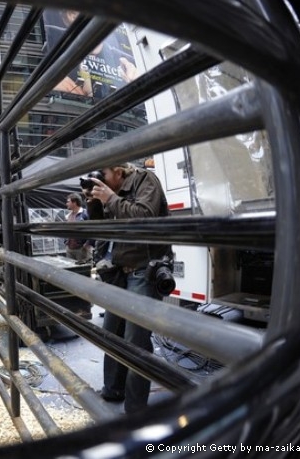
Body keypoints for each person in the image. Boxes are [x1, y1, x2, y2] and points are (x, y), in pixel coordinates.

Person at [81, 164, 172, 414]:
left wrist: (110, 197)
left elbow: (144, 216)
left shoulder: (146, 180)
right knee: (110, 334)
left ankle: (135, 410)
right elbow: (98, 228)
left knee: (136, 342)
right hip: (119, 272)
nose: (100, 180)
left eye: (103, 174)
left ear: (119, 171)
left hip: (144, 270)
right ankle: (113, 389)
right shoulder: (109, 191)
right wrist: (93, 201)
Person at [64, 192, 91, 263]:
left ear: (74, 202)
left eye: (68, 202)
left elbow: (92, 229)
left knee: (84, 271)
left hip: (81, 249)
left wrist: (87, 244)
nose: (66, 204)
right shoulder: (68, 216)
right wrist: (66, 242)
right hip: (70, 249)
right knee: (71, 269)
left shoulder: (85, 214)